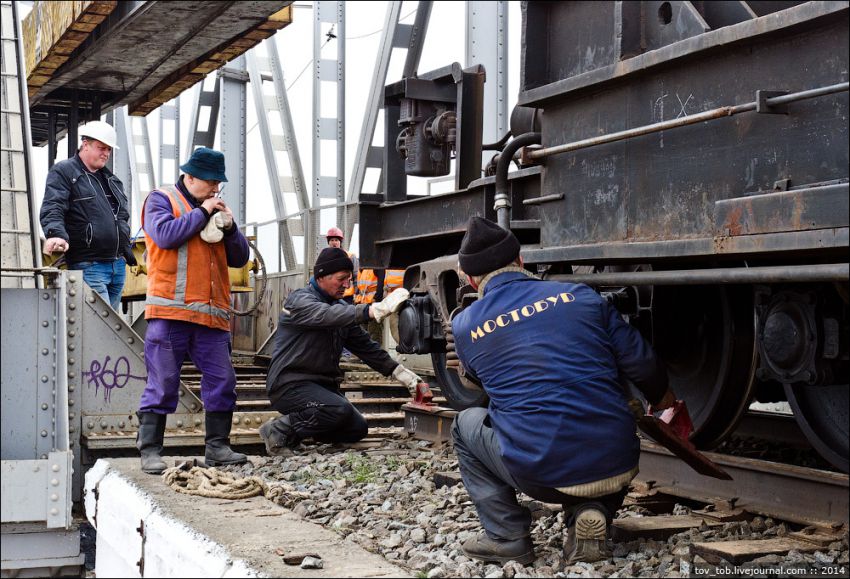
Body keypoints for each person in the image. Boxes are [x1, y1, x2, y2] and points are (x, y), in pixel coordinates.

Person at [449, 216, 676, 565]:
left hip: (539, 474)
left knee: (465, 424)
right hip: (618, 461)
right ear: (520, 260)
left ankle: (507, 537)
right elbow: (642, 363)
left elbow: (484, 386)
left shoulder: (465, 324)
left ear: (469, 279)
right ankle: (591, 509)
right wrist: (666, 405)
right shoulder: (581, 296)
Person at [136, 147, 251, 474]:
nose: (216, 188)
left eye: (219, 183)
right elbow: (164, 235)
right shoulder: (161, 199)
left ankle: (218, 447)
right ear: (190, 176)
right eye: (211, 182)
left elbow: (239, 258)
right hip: (171, 312)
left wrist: (230, 229)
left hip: (211, 316)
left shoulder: (213, 207)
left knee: (222, 379)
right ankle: (150, 450)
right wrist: (202, 212)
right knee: (163, 381)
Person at [259, 247, 423, 454]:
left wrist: (402, 374)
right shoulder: (300, 302)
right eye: (341, 279)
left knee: (357, 428)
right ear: (321, 277)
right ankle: (277, 430)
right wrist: (373, 310)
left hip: (322, 387)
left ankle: (295, 433)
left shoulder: (338, 308)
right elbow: (326, 315)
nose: (347, 285)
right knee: (337, 409)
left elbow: (365, 347)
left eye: (349, 279)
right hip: (290, 384)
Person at [40, 120, 136, 310]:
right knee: (101, 328)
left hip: (117, 265)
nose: (106, 154)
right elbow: (54, 205)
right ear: (85, 144)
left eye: (109, 149)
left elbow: (122, 217)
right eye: (101, 148)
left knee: (111, 331)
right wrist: (55, 233)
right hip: (90, 265)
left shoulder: (112, 180)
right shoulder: (64, 172)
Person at [325, 227, 358, 304]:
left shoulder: (350, 256)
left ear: (340, 242)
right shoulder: (324, 258)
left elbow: (356, 276)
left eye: (336, 240)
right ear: (328, 242)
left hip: (347, 296)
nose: (334, 242)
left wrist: (357, 293)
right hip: (330, 296)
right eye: (331, 240)